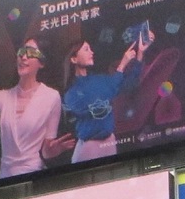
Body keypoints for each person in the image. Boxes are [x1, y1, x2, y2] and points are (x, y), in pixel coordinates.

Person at [0, 36, 69, 178]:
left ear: (41, 63)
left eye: (31, 53)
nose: (24, 57)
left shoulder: (51, 96)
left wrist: (54, 149)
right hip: (6, 175)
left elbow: (46, 151)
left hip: (34, 173)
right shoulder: (4, 97)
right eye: (22, 52)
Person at [60, 26, 151, 163]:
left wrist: (139, 55)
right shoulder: (71, 92)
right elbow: (101, 98)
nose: (91, 52)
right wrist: (122, 65)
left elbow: (129, 85)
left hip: (109, 142)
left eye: (90, 48)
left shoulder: (99, 79)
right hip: (89, 147)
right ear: (73, 59)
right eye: (86, 49)